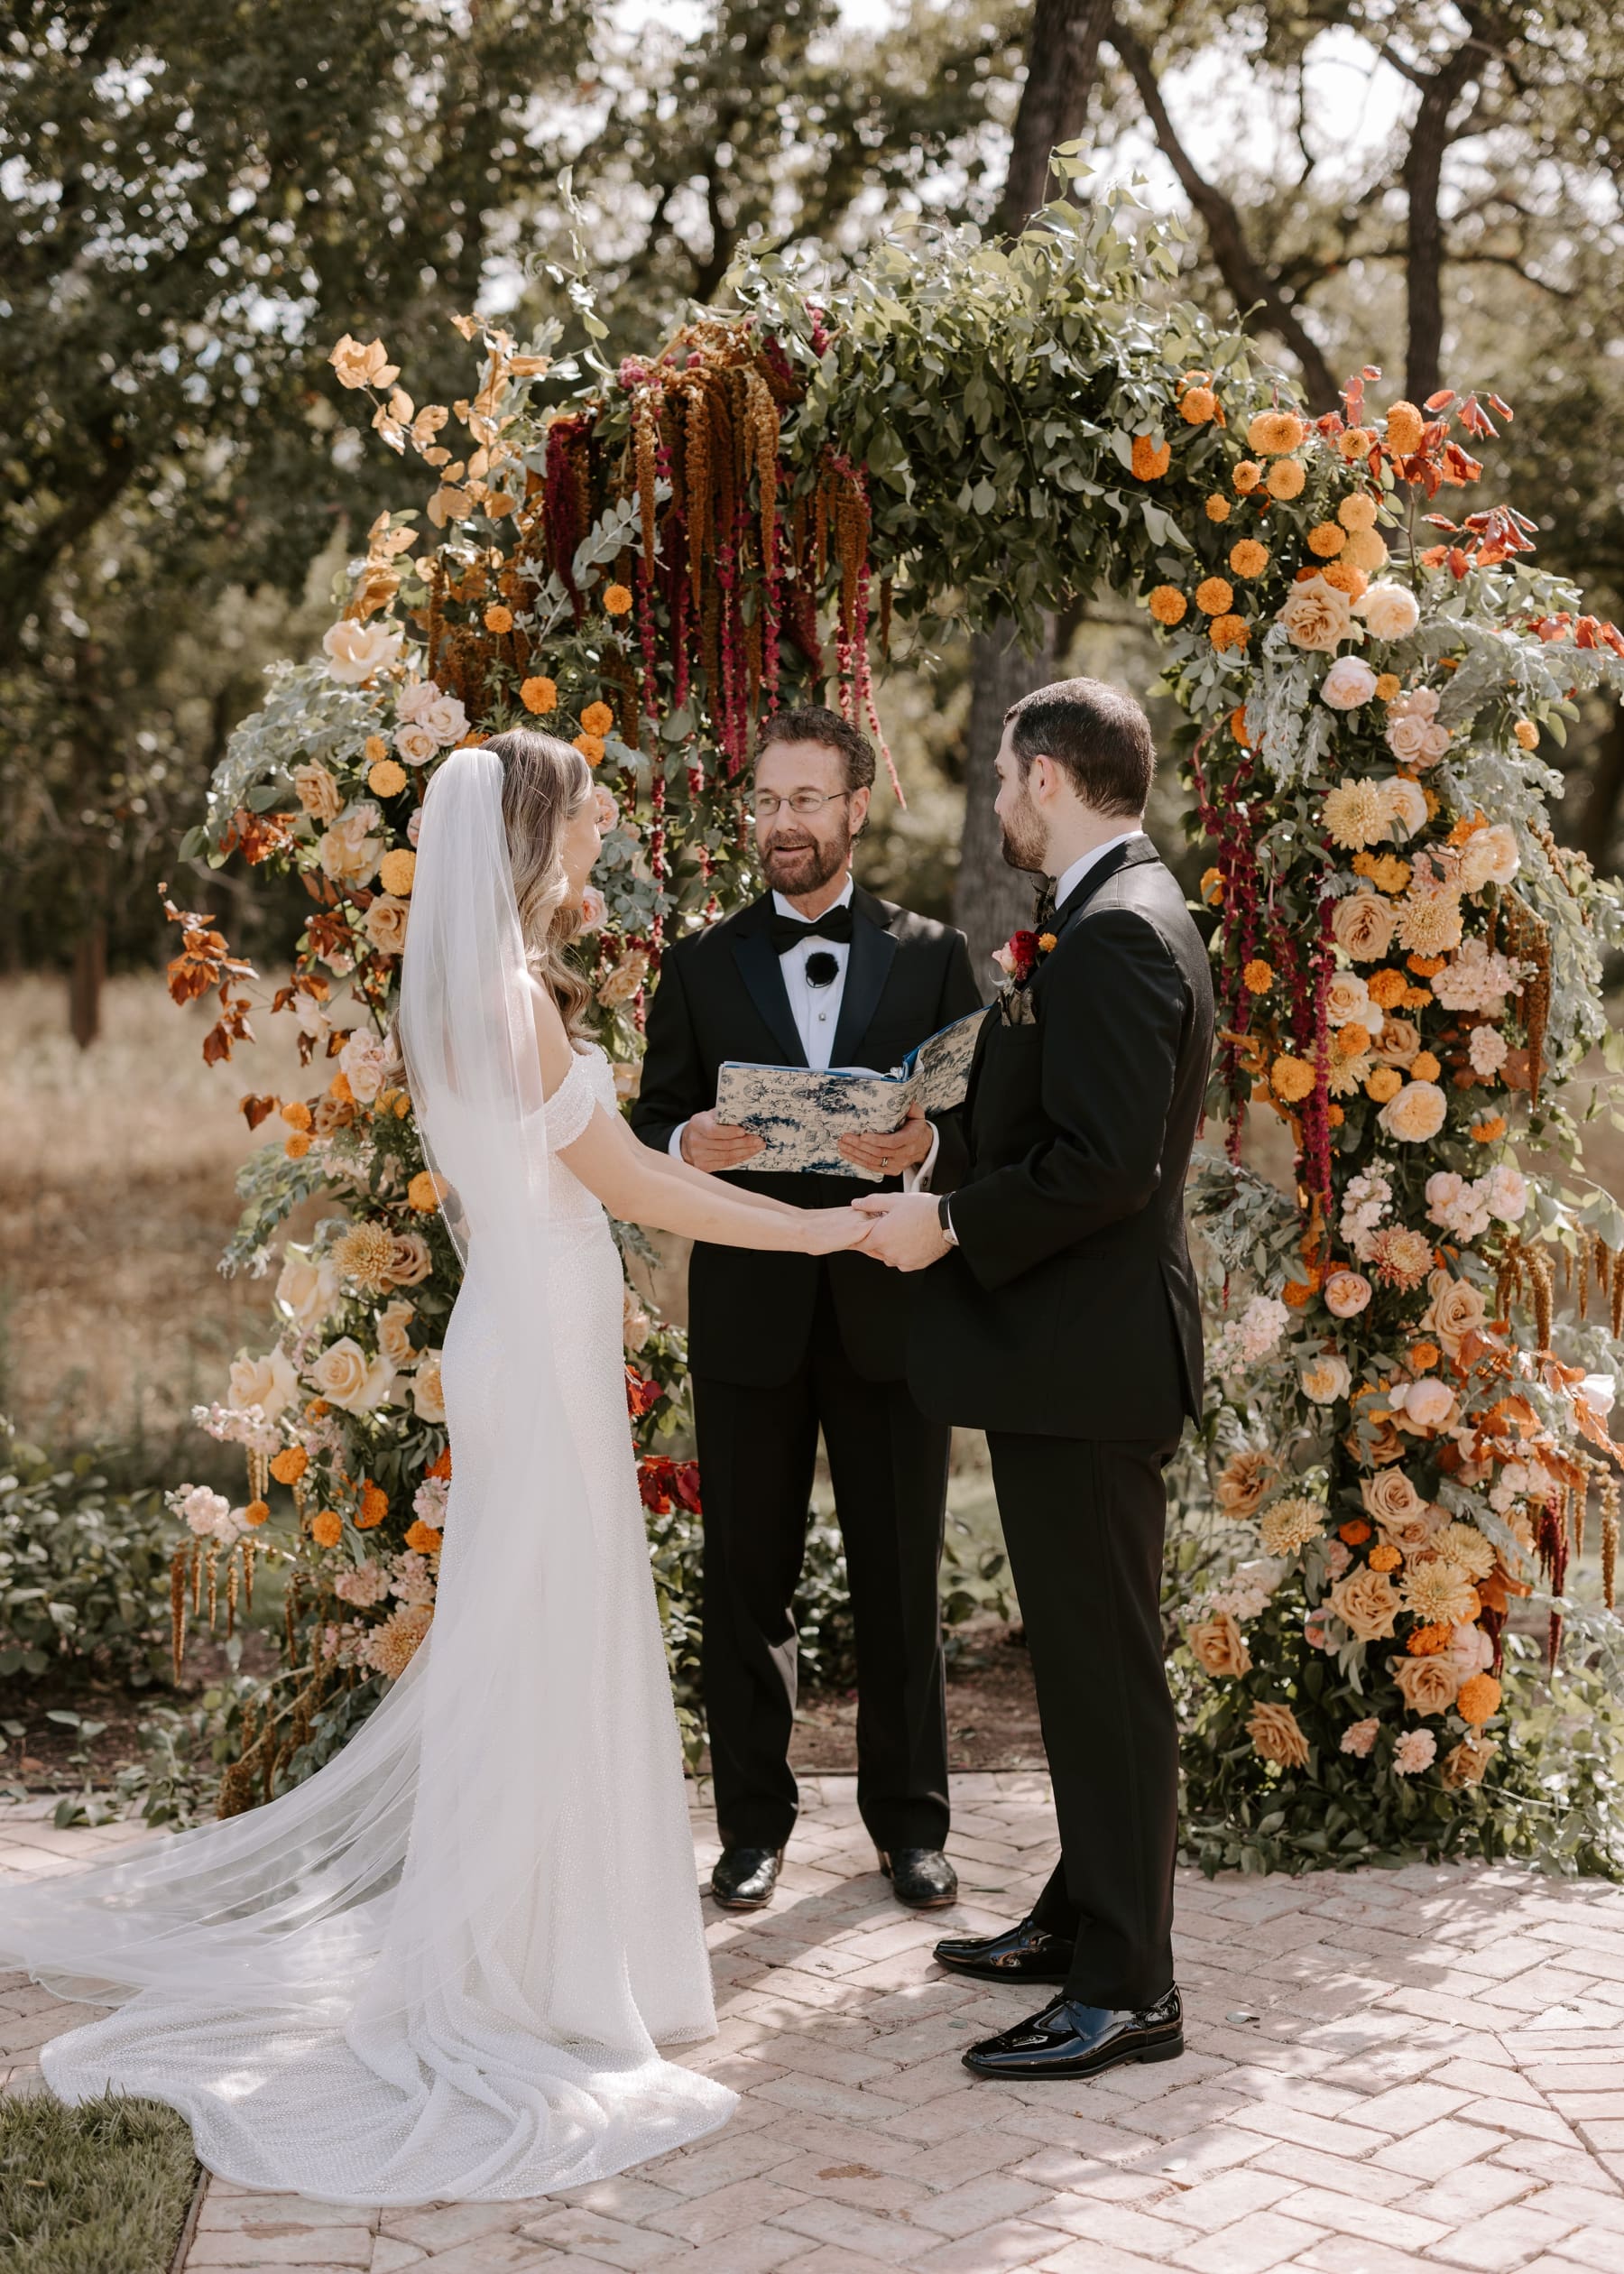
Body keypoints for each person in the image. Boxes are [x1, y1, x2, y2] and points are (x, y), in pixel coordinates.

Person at [0, 733, 871, 2205]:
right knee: (551, 1630)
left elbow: (587, 1172)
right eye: (584, 812)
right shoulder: (517, 1004)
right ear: (536, 837)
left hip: (517, 1329)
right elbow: (637, 1184)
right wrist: (822, 1224)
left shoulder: (469, 1000)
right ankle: (539, 1971)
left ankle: (536, 1941)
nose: (600, 828)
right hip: (538, 1337)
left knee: (531, 1625)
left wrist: (718, 1173)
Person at [855, 677, 1213, 2084]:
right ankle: (1085, 1917)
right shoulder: (1101, 920)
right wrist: (933, 1166)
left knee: (1109, 1676)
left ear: (1053, 781)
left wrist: (942, 1224)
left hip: (1092, 1362)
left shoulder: (1120, 937)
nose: (995, 801)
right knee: (1075, 1666)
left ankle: (1132, 1990)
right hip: (1065, 1356)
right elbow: (1058, 1136)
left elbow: (1108, 1170)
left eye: (1005, 778)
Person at [632, 705, 983, 1914]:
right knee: (745, 1582)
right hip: (748, 1316)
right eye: (766, 802)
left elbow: (979, 1131)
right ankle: (751, 1830)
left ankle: (913, 1828)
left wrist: (925, 1139)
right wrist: (691, 1139)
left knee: (902, 1582)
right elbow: (642, 1126)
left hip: (892, 1310)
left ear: (853, 808)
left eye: (804, 801)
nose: (781, 824)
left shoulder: (936, 955)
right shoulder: (697, 963)